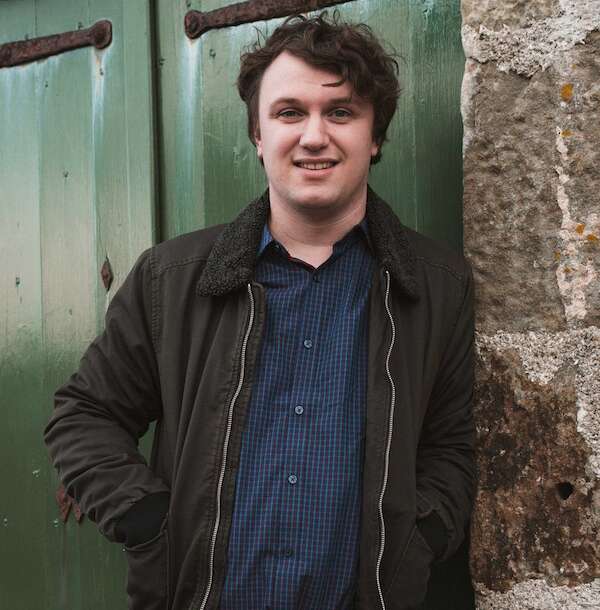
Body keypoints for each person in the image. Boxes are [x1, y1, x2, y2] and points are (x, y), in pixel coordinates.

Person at [44, 12, 475, 610]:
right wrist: (147, 522)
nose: (314, 136)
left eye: (341, 112)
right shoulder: (171, 279)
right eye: (289, 112)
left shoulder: (437, 287)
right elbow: (83, 414)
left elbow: (453, 448)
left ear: (375, 136)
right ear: (258, 135)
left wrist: (416, 540)